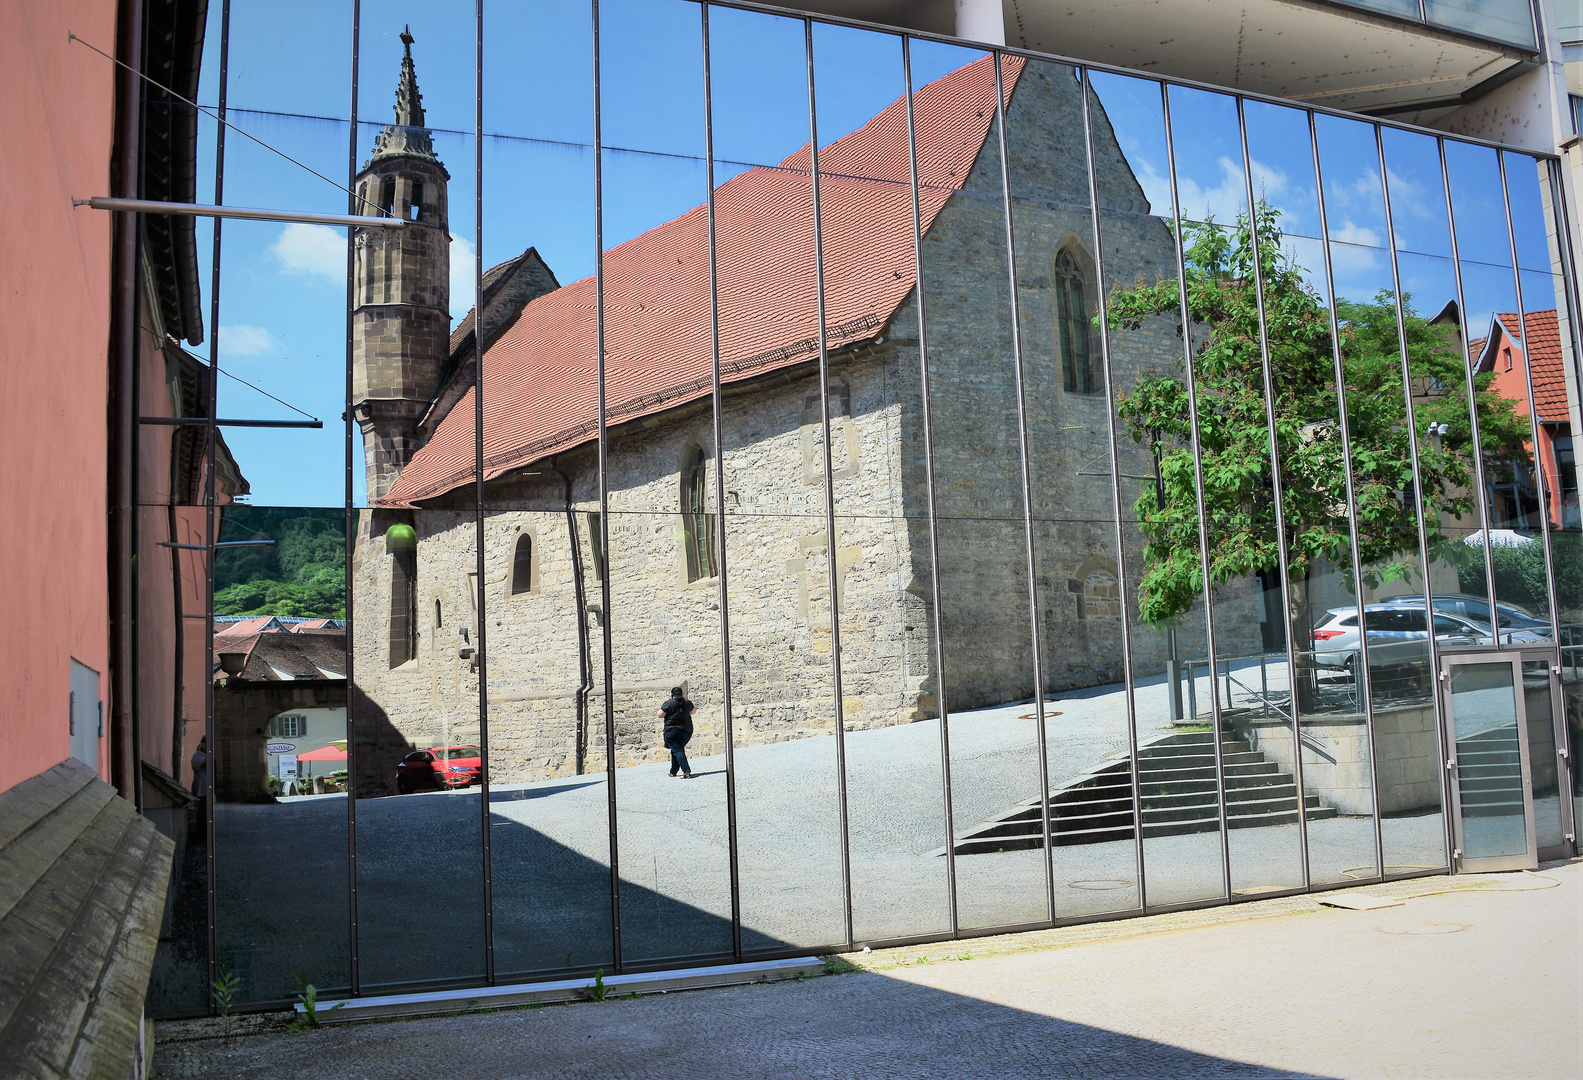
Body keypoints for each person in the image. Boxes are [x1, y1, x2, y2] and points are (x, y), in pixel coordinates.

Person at [656, 687, 694, 779]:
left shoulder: (669, 703)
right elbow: (693, 711)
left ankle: (686, 771)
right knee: (676, 749)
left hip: (672, 731)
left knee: (677, 750)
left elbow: (659, 715)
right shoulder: (687, 702)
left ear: (672, 694)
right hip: (686, 731)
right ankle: (673, 771)